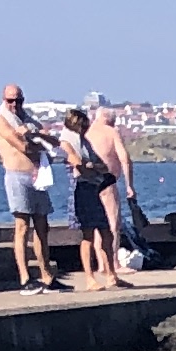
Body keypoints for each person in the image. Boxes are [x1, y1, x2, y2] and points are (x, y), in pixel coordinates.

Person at [0, 86, 59, 290]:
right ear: (4, 100)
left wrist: (35, 134)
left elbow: (54, 143)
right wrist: (36, 140)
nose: (15, 105)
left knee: (42, 226)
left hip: (37, 177)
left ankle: (47, 275)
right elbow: (22, 146)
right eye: (10, 101)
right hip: (17, 175)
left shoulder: (29, 121)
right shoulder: (0, 120)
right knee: (22, 226)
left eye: (18, 101)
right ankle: (25, 277)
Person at [65, 102, 122, 287]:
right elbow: (78, 165)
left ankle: (111, 274)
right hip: (81, 189)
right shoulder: (68, 142)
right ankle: (90, 278)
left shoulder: (86, 143)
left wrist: (93, 167)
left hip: (94, 189)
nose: (85, 130)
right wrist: (91, 168)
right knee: (87, 235)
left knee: (106, 232)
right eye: (82, 126)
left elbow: (102, 166)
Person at [86, 97, 143, 269]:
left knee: (96, 225)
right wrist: (129, 185)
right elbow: (124, 159)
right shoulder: (111, 132)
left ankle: (101, 264)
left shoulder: (87, 133)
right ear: (110, 120)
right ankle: (114, 264)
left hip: (88, 182)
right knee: (112, 223)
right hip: (106, 181)